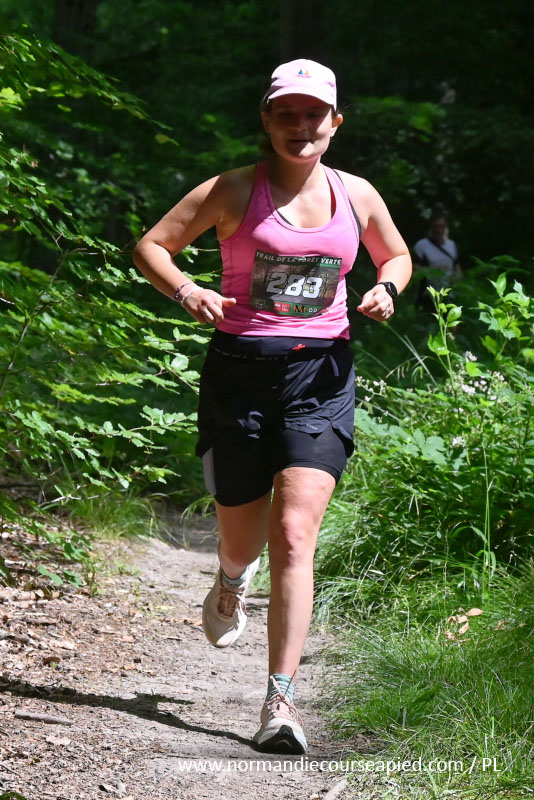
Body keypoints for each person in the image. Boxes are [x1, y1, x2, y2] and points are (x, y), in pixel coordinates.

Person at [133, 58, 412, 755]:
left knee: (293, 532)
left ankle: (280, 702)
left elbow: (397, 256)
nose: (300, 126)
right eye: (286, 113)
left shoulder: (357, 194)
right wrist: (188, 290)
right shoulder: (233, 189)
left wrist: (387, 288)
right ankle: (232, 577)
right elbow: (152, 246)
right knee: (242, 536)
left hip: (321, 376)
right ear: (267, 118)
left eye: (314, 114)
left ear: (335, 123)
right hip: (240, 375)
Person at [413, 212, 462, 309]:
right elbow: (415, 267)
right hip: (427, 296)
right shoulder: (421, 246)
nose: (439, 230)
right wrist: (431, 274)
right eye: (436, 226)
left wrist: (457, 279)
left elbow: (457, 267)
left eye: (441, 226)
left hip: (449, 296)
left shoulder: (451, 245)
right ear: (431, 228)